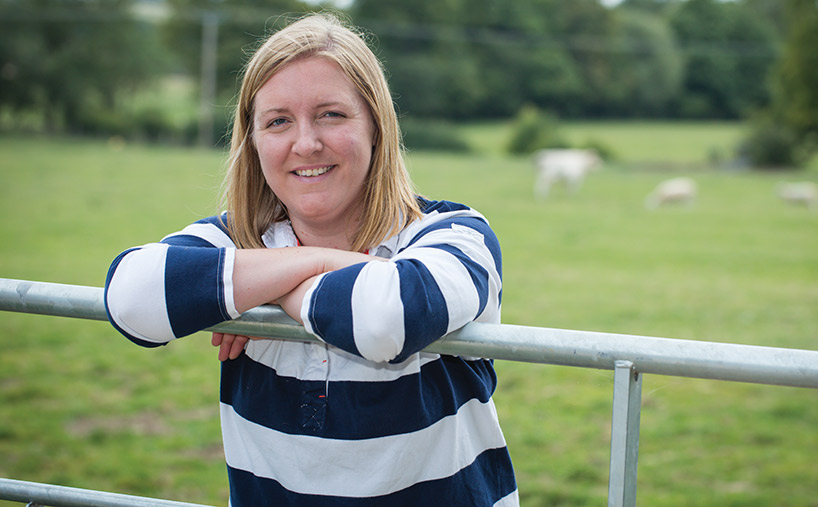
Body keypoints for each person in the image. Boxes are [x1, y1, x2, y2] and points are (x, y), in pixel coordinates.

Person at [103, 12, 518, 506]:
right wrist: (317, 267)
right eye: (278, 121)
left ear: (376, 127)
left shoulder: (455, 234)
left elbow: (386, 320)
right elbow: (131, 298)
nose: (305, 143)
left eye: (331, 114)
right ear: (253, 142)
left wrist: (256, 286)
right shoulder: (242, 236)